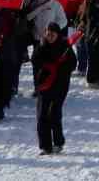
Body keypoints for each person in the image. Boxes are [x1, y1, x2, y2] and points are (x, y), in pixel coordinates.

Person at [33, 22, 77, 155]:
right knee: (42, 115)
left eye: (53, 33)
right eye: (48, 33)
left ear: (58, 34)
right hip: (44, 85)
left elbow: (73, 64)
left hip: (60, 86)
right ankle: (45, 146)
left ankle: (58, 142)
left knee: (54, 114)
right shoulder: (42, 45)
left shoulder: (65, 46)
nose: (50, 36)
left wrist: (60, 67)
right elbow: (34, 60)